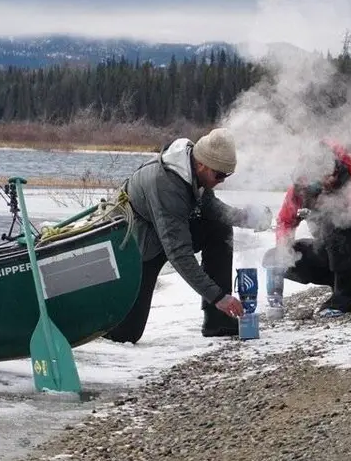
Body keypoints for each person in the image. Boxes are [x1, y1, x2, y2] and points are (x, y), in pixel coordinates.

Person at [106, 128, 272, 343]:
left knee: (219, 228)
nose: (222, 180)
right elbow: (179, 253)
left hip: (164, 233)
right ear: (202, 165)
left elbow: (211, 208)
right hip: (138, 243)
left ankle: (218, 321)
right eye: (219, 175)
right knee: (126, 334)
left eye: (227, 175)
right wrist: (218, 297)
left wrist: (248, 219)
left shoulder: (195, 170)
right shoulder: (166, 185)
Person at [261, 142, 351, 315]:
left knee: (333, 220)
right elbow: (285, 222)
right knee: (274, 258)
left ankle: (344, 297)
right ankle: (345, 283)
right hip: (331, 249)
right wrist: (284, 247)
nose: (330, 180)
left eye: (332, 173)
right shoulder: (301, 188)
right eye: (324, 175)